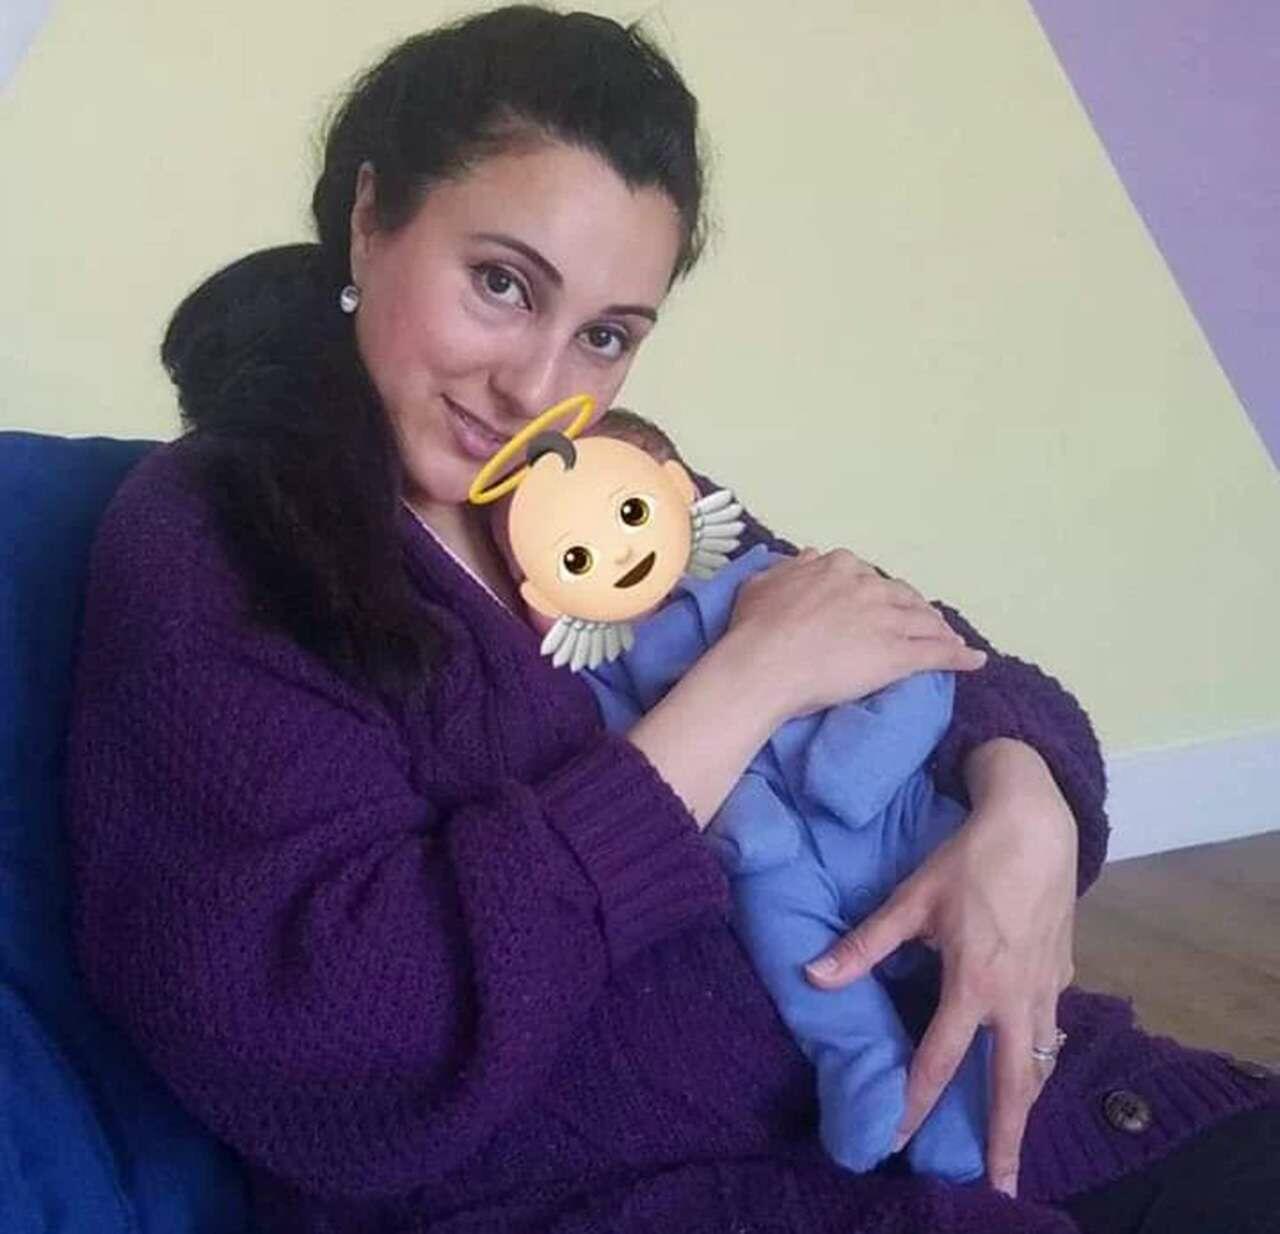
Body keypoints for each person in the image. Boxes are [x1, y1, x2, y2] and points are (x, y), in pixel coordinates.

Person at [64, 7, 1279, 1234]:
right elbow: (335, 1023)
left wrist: (1023, 799)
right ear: (373, 216)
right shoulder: (218, 538)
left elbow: (902, 640)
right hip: (674, 1192)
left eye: (603, 337)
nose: (537, 389)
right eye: (500, 283)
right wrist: (737, 693)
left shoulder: (597, 484)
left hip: (1013, 1105)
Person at [485, 407, 997, 1185]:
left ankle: (977, 1074)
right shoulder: (593, 677)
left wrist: (863, 759)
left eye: (629, 513)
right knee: (792, 945)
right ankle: (866, 1069)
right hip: (775, 862)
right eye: (573, 555)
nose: (616, 553)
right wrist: (737, 822)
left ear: (679, 494)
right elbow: (636, 773)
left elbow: (929, 656)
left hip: (890, 809)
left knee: (974, 930)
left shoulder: (779, 576)